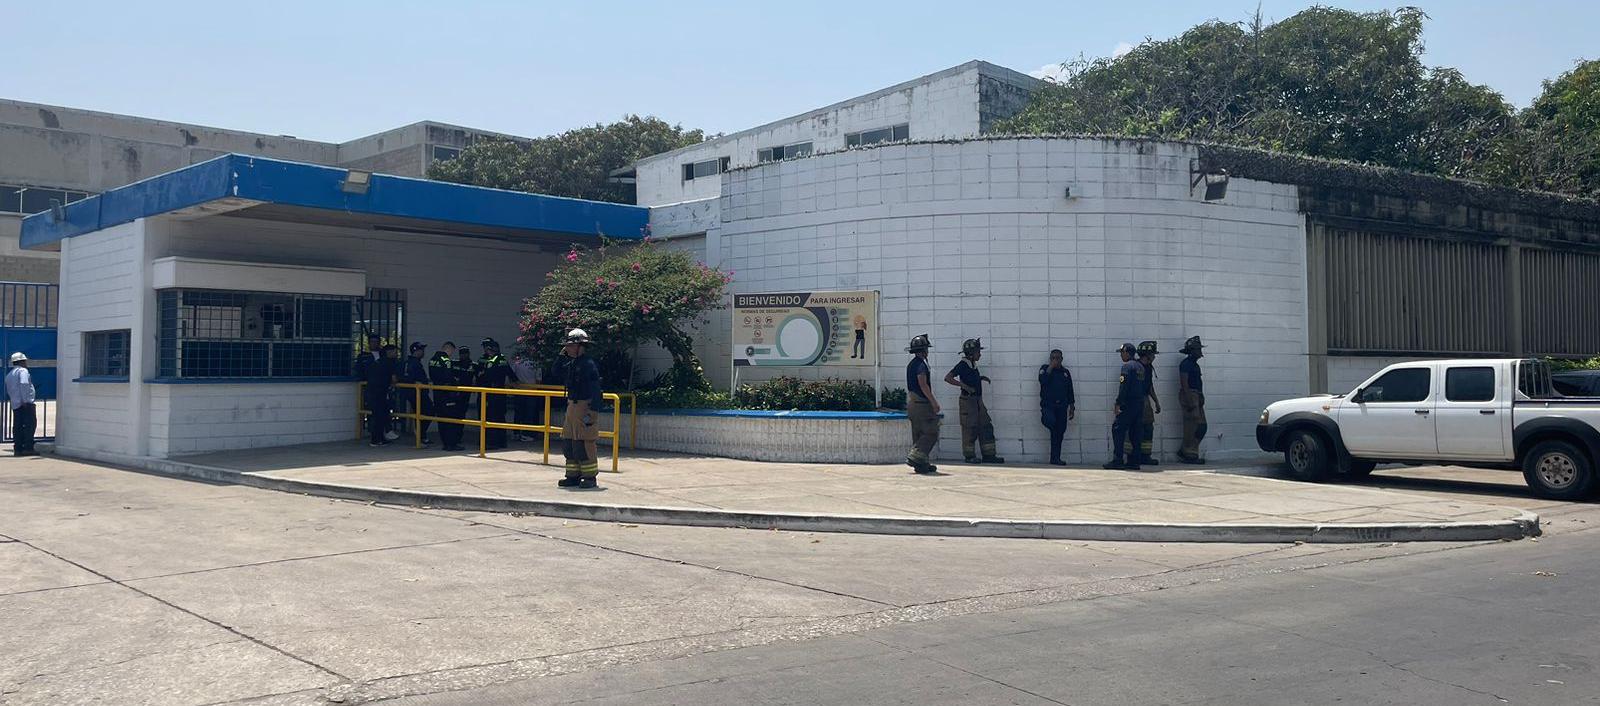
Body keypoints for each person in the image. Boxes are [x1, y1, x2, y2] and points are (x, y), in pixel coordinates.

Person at [944, 338, 1003, 464]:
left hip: (978, 401)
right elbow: (948, 378)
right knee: (969, 429)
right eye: (977, 352)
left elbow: (970, 377)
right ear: (971, 353)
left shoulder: (972, 365)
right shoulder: (962, 364)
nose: (980, 354)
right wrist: (964, 386)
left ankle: (989, 455)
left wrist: (980, 378)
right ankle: (969, 456)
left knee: (986, 426)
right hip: (968, 402)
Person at [557, 328, 604, 489]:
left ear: (580, 346)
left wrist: (592, 412)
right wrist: (560, 355)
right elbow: (555, 372)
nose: (567, 348)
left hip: (584, 406)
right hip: (572, 405)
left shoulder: (588, 364)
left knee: (585, 443)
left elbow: (596, 389)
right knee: (570, 442)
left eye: (571, 345)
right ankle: (573, 475)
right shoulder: (572, 362)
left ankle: (589, 477)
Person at [1105, 342, 1148, 470]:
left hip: (1128, 404)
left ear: (1126, 352)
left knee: (1117, 429)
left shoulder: (1127, 367)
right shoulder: (1140, 367)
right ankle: (1134, 461)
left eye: (1122, 353)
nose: (1121, 355)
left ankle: (1118, 460)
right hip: (1139, 404)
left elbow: (1124, 387)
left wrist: (1118, 403)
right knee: (1136, 432)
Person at [903, 334, 940, 475]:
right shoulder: (921, 365)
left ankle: (922, 464)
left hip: (912, 402)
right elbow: (923, 385)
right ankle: (916, 456)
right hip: (921, 403)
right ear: (924, 350)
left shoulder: (911, 364)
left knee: (918, 433)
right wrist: (934, 402)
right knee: (931, 432)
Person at [1122, 341, 1161, 466]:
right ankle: (1131, 456)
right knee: (1134, 428)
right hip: (1135, 401)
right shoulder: (1136, 366)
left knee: (1148, 428)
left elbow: (1149, 386)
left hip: (1145, 400)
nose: (1154, 357)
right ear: (1147, 355)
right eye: (1153, 354)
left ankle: (1145, 455)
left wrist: (1156, 401)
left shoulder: (1148, 368)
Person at [1038, 349, 1076, 466]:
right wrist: (1051, 367)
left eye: (1057, 358)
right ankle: (1050, 425)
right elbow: (1043, 381)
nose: (1055, 360)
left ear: (1061, 359)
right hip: (1048, 405)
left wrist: (1072, 406)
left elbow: (1070, 390)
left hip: (1061, 406)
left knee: (1059, 433)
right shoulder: (1044, 369)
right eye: (1053, 358)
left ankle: (1055, 458)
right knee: (1050, 421)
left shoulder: (1065, 372)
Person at [475, 338, 513, 450]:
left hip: (493, 393)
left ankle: (493, 442)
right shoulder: (492, 358)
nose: (485, 349)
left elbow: (486, 375)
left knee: (493, 417)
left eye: (487, 347)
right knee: (491, 417)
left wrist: (482, 375)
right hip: (490, 393)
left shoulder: (496, 359)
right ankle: (492, 441)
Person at [430, 341, 467, 451]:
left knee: (441, 419)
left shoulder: (432, 360)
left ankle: (445, 443)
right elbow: (449, 376)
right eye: (452, 351)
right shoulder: (446, 361)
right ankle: (451, 444)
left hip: (437, 392)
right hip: (447, 394)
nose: (451, 354)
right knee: (451, 419)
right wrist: (455, 382)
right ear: (449, 349)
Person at [1177, 336, 1208, 464]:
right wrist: (1190, 399)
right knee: (1193, 426)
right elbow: (1184, 383)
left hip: (1196, 396)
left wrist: (1201, 397)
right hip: (1189, 395)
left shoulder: (1195, 365)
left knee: (1201, 426)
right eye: (1197, 349)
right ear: (1191, 350)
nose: (1200, 352)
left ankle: (1188, 450)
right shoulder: (1185, 364)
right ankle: (1188, 453)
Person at [365, 344, 399, 447]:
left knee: (377, 415)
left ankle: (379, 438)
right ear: (389, 352)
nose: (396, 354)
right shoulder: (390, 363)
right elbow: (394, 379)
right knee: (381, 416)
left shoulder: (377, 362)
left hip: (372, 392)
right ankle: (376, 440)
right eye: (394, 351)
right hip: (381, 393)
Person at [400, 341, 433, 445]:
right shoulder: (413, 363)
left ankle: (421, 435)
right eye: (422, 350)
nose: (423, 352)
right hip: (417, 393)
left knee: (422, 413)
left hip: (416, 392)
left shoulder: (410, 362)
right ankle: (420, 434)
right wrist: (414, 382)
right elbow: (408, 377)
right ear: (417, 351)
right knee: (428, 411)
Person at [6, 352, 38, 457]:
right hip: (25, 403)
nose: (26, 363)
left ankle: (18, 449)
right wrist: (25, 400)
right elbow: (24, 385)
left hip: (15, 404)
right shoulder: (23, 371)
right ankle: (28, 447)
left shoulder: (9, 375)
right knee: (30, 425)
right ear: (21, 361)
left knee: (18, 426)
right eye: (25, 361)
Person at [510, 353, 541, 442]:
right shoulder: (536, 363)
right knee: (530, 413)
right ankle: (528, 434)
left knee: (518, 413)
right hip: (532, 391)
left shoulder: (517, 363)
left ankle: (516, 433)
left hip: (519, 391)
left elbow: (512, 376)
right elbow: (539, 380)